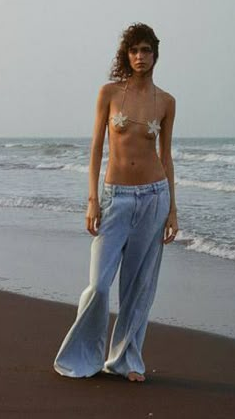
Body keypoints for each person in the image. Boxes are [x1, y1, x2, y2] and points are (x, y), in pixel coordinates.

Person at [53, 23, 178, 382]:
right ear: (127, 55)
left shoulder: (166, 102)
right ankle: (83, 356)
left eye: (146, 50)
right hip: (116, 198)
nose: (140, 57)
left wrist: (173, 209)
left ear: (156, 55)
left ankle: (126, 360)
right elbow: (95, 148)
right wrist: (92, 200)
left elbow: (166, 156)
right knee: (100, 284)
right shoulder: (109, 93)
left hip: (154, 197)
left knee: (139, 286)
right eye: (134, 50)